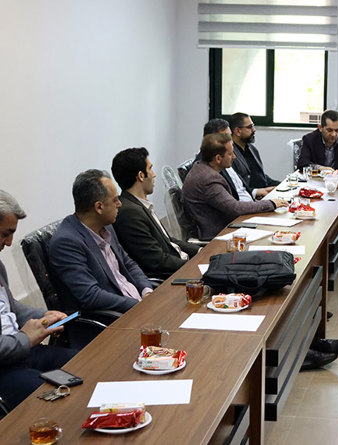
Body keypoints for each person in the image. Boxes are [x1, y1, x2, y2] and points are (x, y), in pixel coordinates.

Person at [0, 190, 78, 409]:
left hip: (21, 352)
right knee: (58, 400)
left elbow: (9, 307)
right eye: (5, 234)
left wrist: (43, 317)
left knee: (84, 364)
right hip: (5, 367)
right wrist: (26, 338)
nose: (9, 243)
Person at [49, 170, 154, 313]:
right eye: (115, 200)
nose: (120, 204)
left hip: (139, 304)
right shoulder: (66, 242)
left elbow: (128, 264)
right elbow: (91, 295)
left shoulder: (106, 226)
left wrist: (147, 291)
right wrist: (138, 305)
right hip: (117, 316)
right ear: (99, 207)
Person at [111, 147, 200, 277]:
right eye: (150, 169)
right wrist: (195, 266)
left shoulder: (139, 205)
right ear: (141, 176)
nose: (154, 174)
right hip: (173, 275)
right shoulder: (129, 213)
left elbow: (168, 241)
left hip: (182, 264)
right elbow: (156, 260)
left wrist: (200, 251)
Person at [182, 133, 289, 240]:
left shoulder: (202, 168)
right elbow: (235, 208)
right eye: (230, 154)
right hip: (218, 233)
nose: (234, 156)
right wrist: (271, 203)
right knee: (274, 234)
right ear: (218, 158)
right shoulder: (209, 179)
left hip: (227, 225)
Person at [198, 119, 272, 202]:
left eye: (230, 136)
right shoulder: (210, 166)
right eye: (226, 137)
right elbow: (231, 204)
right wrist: (269, 204)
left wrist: (256, 192)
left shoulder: (226, 156)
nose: (231, 140)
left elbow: (239, 188)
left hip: (251, 202)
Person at [229, 112, 281, 191]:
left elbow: (260, 176)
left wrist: (282, 185)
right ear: (237, 131)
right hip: (250, 195)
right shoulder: (230, 154)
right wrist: (257, 192)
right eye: (249, 127)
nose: (254, 130)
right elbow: (236, 187)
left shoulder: (252, 149)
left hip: (264, 192)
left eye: (253, 126)